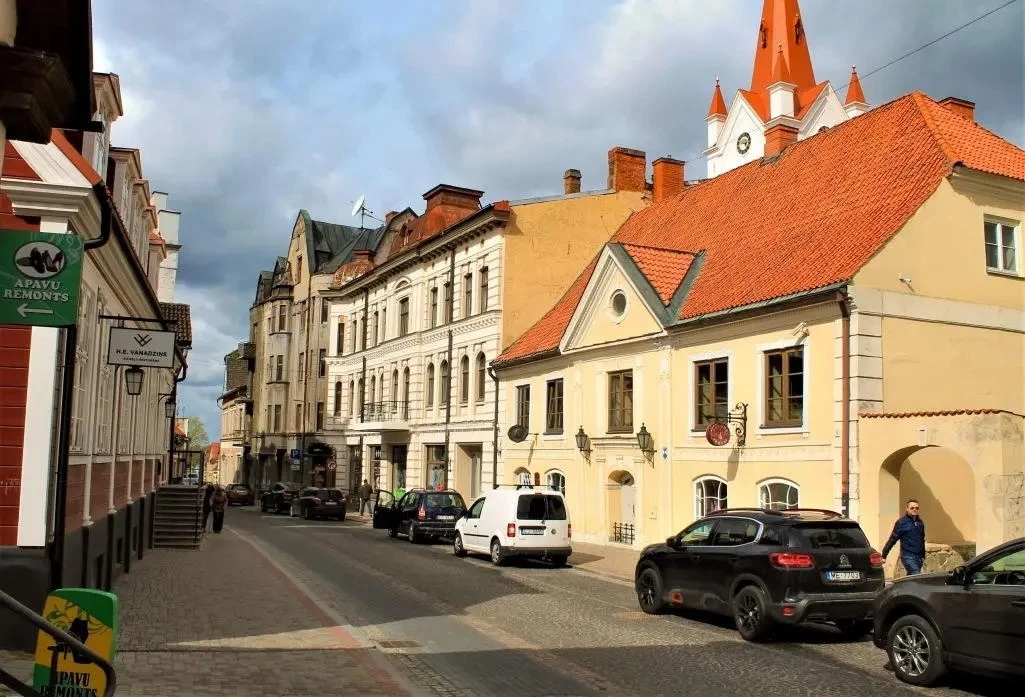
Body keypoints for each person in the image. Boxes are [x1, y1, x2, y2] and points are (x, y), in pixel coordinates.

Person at [882, 498, 926, 575]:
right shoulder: (901, 523)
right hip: (908, 556)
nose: (914, 509)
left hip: (919, 557)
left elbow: (922, 539)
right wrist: (884, 555)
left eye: (916, 508)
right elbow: (892, 539)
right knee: (916, 576)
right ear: (907, 509)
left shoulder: (920, 522)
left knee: (911, 578)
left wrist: (923, 555)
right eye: (912, 508)